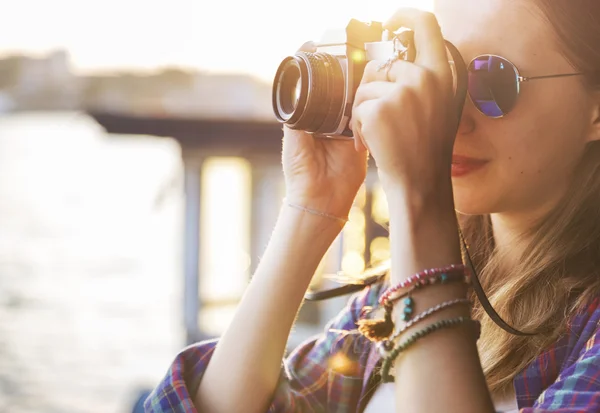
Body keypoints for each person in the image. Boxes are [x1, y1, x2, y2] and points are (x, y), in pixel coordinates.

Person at [145, 1, 600, 412]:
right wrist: (312, 206)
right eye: (441, 75)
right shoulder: (390, 297)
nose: (448, 115)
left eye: (491, 80)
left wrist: (420, 196)